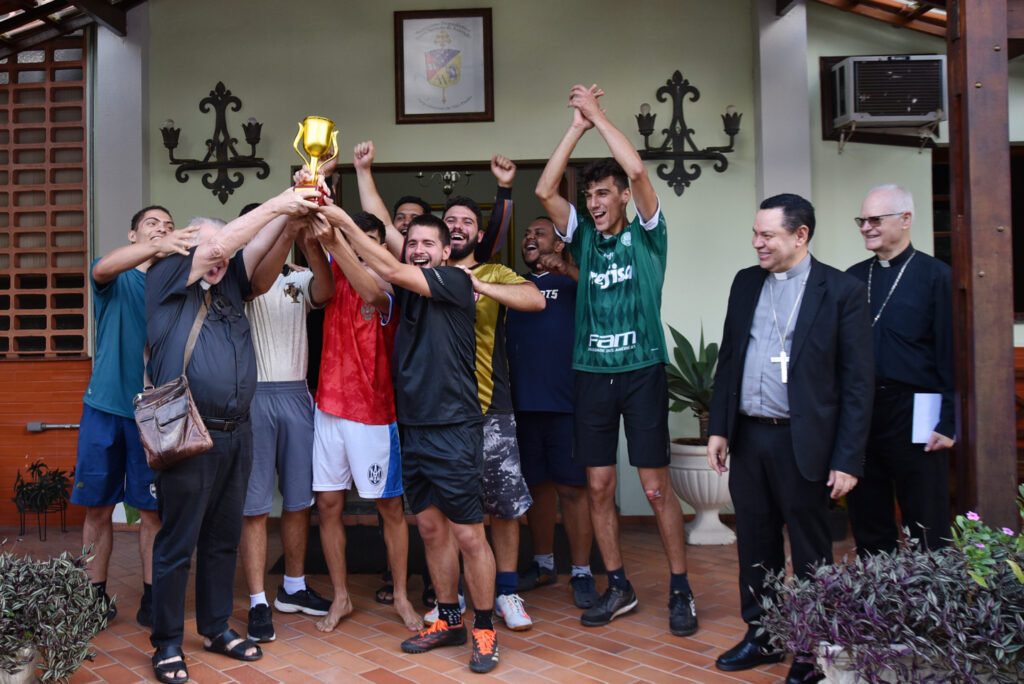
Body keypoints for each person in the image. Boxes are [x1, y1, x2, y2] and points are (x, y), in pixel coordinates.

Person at [535, 83, 697, 636]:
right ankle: (618, 585)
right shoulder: (582, 238)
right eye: (591, 196)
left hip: (643, 370)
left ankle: (681, 588)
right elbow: (544, 187)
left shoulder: (649, 237)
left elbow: (641, 172)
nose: (596, 203)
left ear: (623, 196)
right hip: (591, 376)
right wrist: (575, 129)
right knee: (599, 487)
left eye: (605, 193)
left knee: (654, 487)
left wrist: (599, 115)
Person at [145, 188, 319, 684]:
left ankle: (217, 627)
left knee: (223, 537)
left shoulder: (229, 287)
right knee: (178, 543)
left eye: (224, 244)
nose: (220, 255)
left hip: (237, 429)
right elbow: (224, 249)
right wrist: (286, 198)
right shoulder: (166, 278)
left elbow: (259, 260)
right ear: (188, 250)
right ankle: (167, 644)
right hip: (188, 429)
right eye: (210, 245)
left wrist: (293, 218)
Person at [319, 204, 500, 675]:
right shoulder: (402, 292)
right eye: (412, 242)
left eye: (427, 244)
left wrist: (338, 216)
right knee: (432, 529)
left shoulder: (457, 282)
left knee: (467, 533)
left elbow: (387, 264)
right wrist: (329, 236)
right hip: (412, 428)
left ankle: (484, 627)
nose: (419, 250)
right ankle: (448, 619)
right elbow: (369, 276)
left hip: (455, 428)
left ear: (445, 251)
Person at [707, 193, 873, 684]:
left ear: (800, 236)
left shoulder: (841, 291)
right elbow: (729, 358)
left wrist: (848, 458)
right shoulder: (745, 283)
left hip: (807, 442)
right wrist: (719, 427)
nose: (757, 243)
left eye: (767, 235)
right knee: (754, 543)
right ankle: (763, 634)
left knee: (810, 551)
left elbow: (858, 383)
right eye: (755, 233)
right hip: (751, 437)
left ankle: (811, 646)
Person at [71, 206, 195, 628]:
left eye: (169, 225)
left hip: (155, 415)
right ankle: (93, 599)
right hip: (104, 409)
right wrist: (156, 246)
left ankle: (152, 599)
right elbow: (102, 267)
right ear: (132, 235)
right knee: (97, 510)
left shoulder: (176, 285)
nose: (162, 230)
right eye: (152, 226)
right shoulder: (117, 277)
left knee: (153, 513)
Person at [307, 203, 423, 633]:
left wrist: (342, 235)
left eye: (367, 242)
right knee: (329, 505)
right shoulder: (334, 273)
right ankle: (341, 597)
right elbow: (320, 290)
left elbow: (371, 292)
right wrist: (311, 233)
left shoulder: (392, 283)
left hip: (374, 411)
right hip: (328, 408)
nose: (357, 248)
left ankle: (402, 597)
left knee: (389, 507)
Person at [443, 163, 546, 632]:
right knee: (449, 511)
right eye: (450, 222)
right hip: (442, 415)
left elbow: (535, 300)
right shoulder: (425, 270)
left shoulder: (493, 269)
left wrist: (478, 284)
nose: (457, 226)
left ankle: (506, 592)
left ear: (478, 231)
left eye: (466, 221)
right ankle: (454, 598)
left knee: (505, 507)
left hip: (492, 410)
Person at [240, 214, 335, 644]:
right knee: (255, 506)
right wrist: (285, 230)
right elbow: (259, 281)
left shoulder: (296, 280)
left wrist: (308, 238)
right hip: (255, 396)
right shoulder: (238, 279)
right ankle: (258, 599)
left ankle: (292, 587)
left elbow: (327, 289)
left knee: (299, 500)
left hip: (298, 394)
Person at [846, 184, 955, 555]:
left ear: (905, 219)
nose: (866, 227)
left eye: (876, 219)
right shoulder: (853, 278)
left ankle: (932, 603)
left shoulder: (936, 276)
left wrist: (949, 421)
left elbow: (950, 353)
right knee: (867, 514)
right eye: (863, 220)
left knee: (925, 517)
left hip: (916, 408)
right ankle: (878, 606)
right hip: (863, 411)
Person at [505, 217, 600, 609]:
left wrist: (569, 269)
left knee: (573, 490)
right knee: (537, 488)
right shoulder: (514, 286)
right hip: (523, 404)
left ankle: (581, 571)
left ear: (560, 245)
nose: (530, 237)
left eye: (538, 233)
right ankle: (543, 564)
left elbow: (598, 293)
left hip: (567, 403)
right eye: (528, 233)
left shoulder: (576, 283)